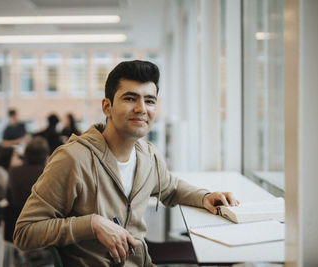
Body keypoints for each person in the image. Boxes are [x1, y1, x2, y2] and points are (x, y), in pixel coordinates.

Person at [14, 60, 239, 266]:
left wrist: (204, 196)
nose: (142, 108)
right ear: (107, 107)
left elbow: (171, 187)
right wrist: (92, 224)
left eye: (149, 100)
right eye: (130, 98)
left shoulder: (148, 156)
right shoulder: (73, 159)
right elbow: (25, 232)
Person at [7, 137, 49, 208]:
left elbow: (9, 196)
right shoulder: (47, 173)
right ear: (46, 155)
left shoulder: (14, 171)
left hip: (16, 215)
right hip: (40, 215)